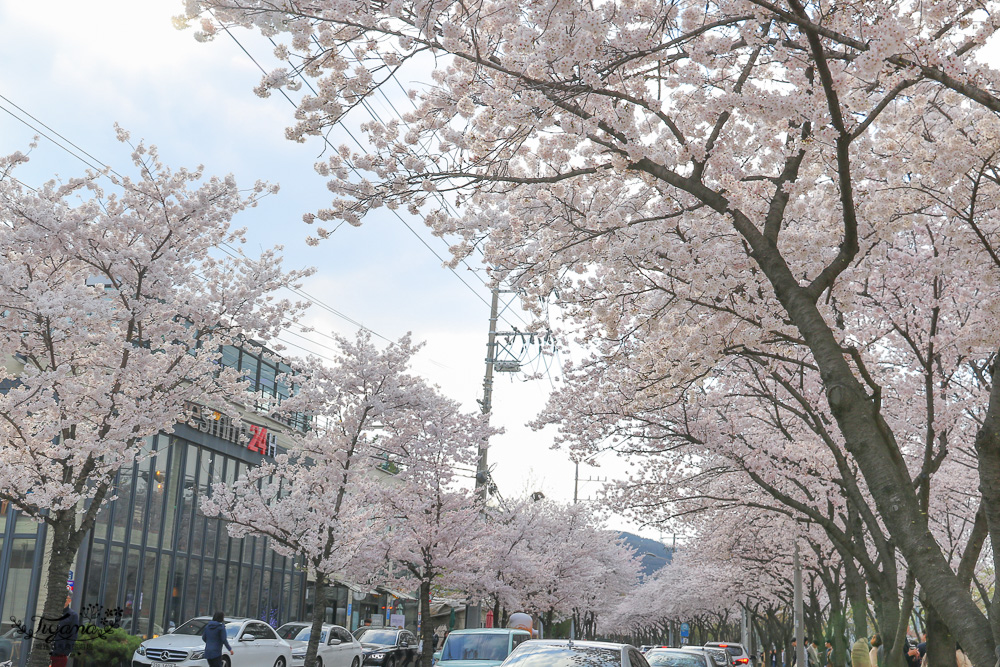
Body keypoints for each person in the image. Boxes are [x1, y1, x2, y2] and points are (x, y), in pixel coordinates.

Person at [49, 594, 79, 667]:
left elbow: (73, 634)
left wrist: (66, 651)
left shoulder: (73, 615)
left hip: (60, 652)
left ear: (69, 601)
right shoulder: (52, 612)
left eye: (65, 599)